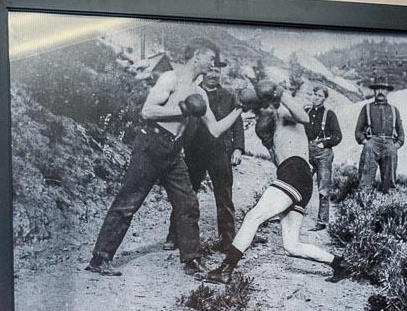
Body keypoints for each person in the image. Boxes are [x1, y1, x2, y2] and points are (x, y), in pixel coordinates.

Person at [87, 49, 207, 273]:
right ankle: (100, 259)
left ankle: (191, 260)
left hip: (173, 150)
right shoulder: (171, 78)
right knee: (128, 202)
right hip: (151, 143)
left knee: (188, 204)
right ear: (197, 55)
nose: (213, 65)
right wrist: (181, 109)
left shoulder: (198, 91)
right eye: (211, 59)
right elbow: (148, 111)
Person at [210, 80, 335, 276]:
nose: (261, 110)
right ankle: (339, 264)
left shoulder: (284, 113)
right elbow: (278, 158)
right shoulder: (268, 128)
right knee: (292, 246)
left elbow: (304, 117)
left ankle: (225, 270)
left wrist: (281, 93)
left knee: (253, 217)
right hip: (299, 178)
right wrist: (266, 139)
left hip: (294, 172)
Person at [168, 62, 248, 252]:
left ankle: (227, 240)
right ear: (203, 71)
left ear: (221, 73)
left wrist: (238, 149)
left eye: (217, 70)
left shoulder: (229, 97)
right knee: (185, 196)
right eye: (210, 69)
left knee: (224, 198)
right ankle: (174, 236)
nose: (213, 74)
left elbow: (237, 124)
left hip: (220, 152)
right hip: (194, 151)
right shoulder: (192, 93)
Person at [304, 85, 343, 228]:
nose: (315, 98)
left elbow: (338, 136)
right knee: (301, 182)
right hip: (307, 151)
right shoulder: (306, 111)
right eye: (314, 94)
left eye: (319, 96)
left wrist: (324, 144)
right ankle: (294, 213)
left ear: (324, 98)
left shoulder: (330, 114)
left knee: (323, 188)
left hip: (323, 154)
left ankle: (322, 221)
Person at [354, 81, 404, 192]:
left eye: (384, 89)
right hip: (372, 144)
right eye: (378, 89)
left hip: (389, 145)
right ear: (374, 91)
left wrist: (395, 146)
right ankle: (363, 203)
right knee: (365, 180)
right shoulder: (366, 108)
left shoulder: (394, 110)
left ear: (388, 91)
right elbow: (358, 132)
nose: (381, 92)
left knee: (390, 183)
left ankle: (388, 205)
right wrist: (367, 142)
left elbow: (401, 135)